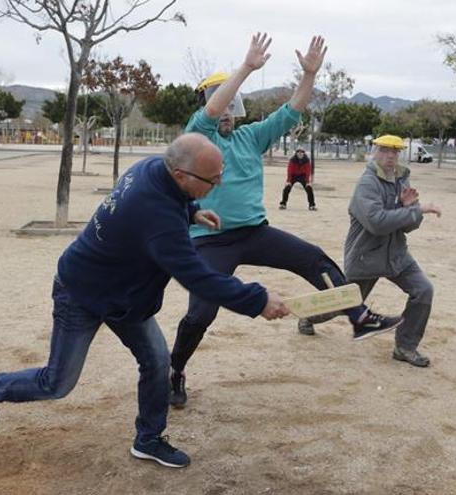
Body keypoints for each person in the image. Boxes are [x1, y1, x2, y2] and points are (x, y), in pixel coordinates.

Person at [0, 133, 290, 469]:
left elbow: (170, 205)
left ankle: (148, 439)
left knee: (157, 361)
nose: (218, 185)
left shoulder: (154, 167)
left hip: (127, 297)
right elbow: (198, 277)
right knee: (57, 383)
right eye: (213, 179)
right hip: (82, 292)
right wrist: (258, 300)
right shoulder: (158, 217)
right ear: (181, 174)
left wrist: (192, 211)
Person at [170, 33, 402, 409]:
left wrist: (308, 75)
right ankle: (174, 370)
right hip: (208, 240)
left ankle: (359, 318)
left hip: (254, 232)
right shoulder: (198, 136)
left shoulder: (251, 137)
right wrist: (246, 67)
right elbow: (212, 111)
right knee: (202, 311)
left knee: (314, 259)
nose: (229, 109)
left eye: (235, 104)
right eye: (224, 100)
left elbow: (292, 110)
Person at [298, 135, 441, 367]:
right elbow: (377, 222)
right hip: (366, 256)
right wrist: (417, 210)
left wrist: (410, 210)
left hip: (396, 254)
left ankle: (405, 347)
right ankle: (308, 317)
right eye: (385, 151)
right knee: (345, 303)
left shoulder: (402, 180)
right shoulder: (367, 183)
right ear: (375, 152)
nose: (391, 156)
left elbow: (408, 226)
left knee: (423, 290)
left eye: (395, 151)